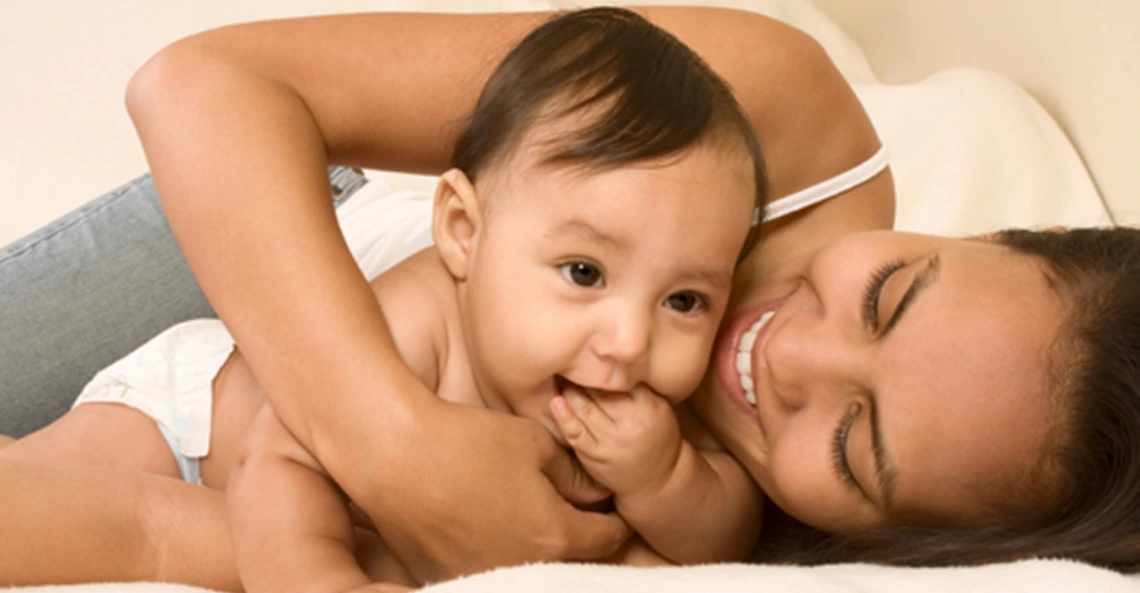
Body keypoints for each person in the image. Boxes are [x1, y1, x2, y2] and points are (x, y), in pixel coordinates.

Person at [2, 4, 1140, 590]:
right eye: (890, 292)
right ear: (978, 236)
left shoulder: (749, 533)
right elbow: (203, 83)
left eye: (854, 440)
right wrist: (401, 447)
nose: (783, 354)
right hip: (282, 231)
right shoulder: (771, 113)